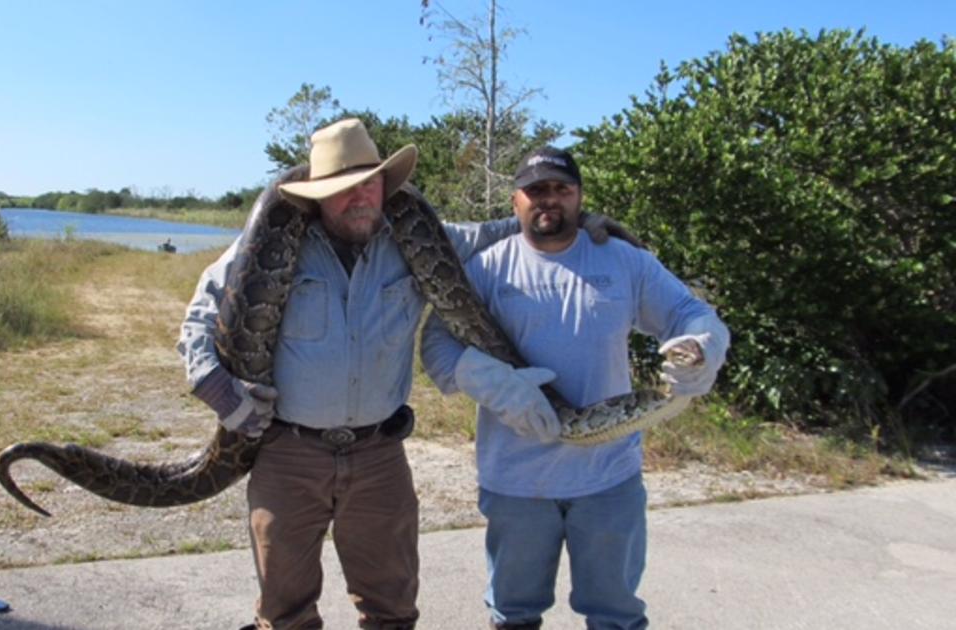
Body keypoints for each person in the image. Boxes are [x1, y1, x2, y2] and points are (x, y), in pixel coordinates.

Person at [177, 120, 627, 629]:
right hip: (289, 454)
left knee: (391, 608)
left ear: (385, 185)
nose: (359, 198)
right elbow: (201, 315)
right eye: (342, 190)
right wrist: (217, 388)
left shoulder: (413, 238)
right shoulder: (266, 243)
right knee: (284, 612)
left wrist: (580, 221)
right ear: (316, 198)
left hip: (378, 457)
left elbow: (496, 232)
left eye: (369, 183)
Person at [420, 147, 730, 629]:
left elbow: (689, 313)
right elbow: (437, 345)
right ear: (515, 200)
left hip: (608, 477)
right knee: (513, 614)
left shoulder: (624, 261)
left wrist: (701, 346)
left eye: (561, 189)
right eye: (536, 190)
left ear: (580, 196)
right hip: (516, 481)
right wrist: (488, 382)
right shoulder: (486, 267)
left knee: (615, 614)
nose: (549, 200)